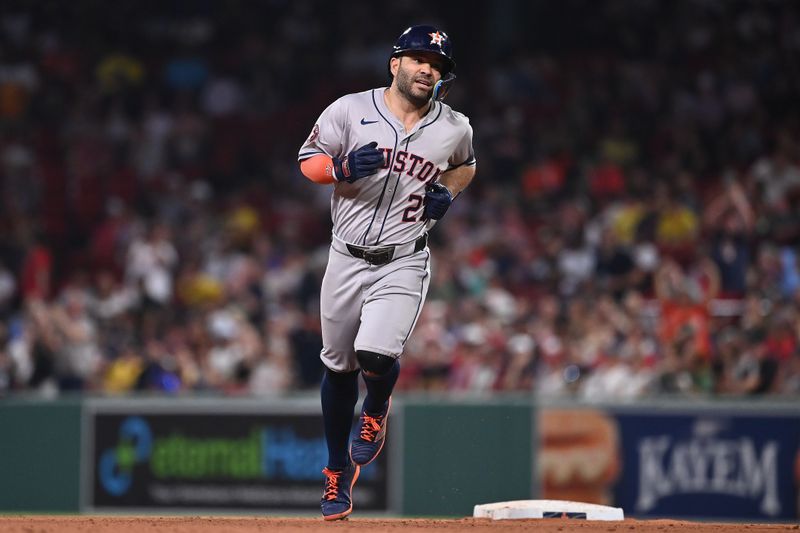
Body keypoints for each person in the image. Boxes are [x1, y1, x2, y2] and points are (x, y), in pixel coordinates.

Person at [297, 24, 476, 520]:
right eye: (420, 58)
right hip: (345, 256)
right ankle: (336, 473)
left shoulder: (454, 125)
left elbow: (465, 165)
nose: (428, 69)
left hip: (403, 257)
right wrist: (339, 170)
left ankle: (376, 404)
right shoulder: (349, 109)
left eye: (437, 65)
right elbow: (308, 160)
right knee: (337, 368)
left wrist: (451, 192)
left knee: (374, 355)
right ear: (395, 63)